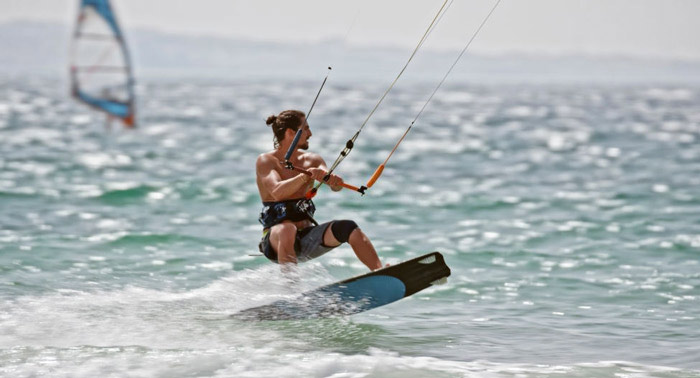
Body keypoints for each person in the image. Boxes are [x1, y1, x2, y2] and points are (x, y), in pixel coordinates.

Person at [256, 110, 384, 271]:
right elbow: (277, 192)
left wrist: (335, 182)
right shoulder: (267, 161)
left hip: (306, 237)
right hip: (276, 241)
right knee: (287, 229)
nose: (310, 133)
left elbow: (332, 183)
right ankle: (290, 289)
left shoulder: (313, 159)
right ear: (290, 133)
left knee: (348, 227)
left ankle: (380, 271)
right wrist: (304, 177)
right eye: (306, 129)